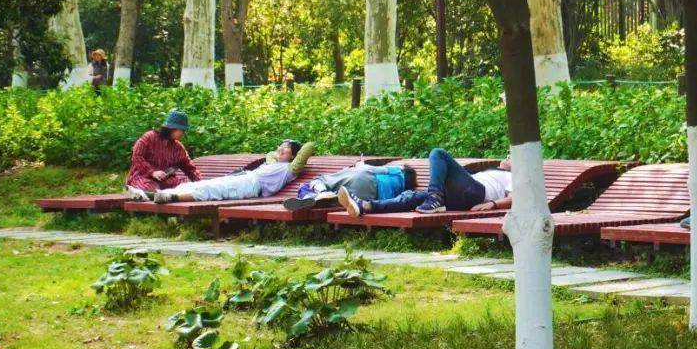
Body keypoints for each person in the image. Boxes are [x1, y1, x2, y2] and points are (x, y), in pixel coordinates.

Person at [336, 148, 512, 217]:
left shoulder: (516, 176)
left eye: (511, 157)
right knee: (411, 197)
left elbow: (517, 198)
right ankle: (365, 206)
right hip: (460, 196)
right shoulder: (491, 170)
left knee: (438, 153)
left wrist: (493, 204)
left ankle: (434, 198)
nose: (506, 157)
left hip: (477, 194)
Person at [127, 139, 316, 203]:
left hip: (252, 186)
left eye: (286, 148)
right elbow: (270, 154)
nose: (281, 149)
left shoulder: (290, 169)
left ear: (294, 155)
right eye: (280, 146)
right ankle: (149, 195)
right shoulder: (273, 162)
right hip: (245, 178)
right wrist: (279, 152)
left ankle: (171, 197)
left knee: (211, 191)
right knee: (203, 184)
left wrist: (293, 148)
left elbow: (309, 147)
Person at [284, 162, 418, 211]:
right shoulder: (403, 189)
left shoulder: (398, 171)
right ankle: (320, 198)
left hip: (365, 178)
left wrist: (360, 165)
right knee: (339, 199)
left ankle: (317, 193)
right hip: (369, 197)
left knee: (315, 181)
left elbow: (372, 169)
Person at [124, 109, 202, 193]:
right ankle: (136, 192)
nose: (184, 133)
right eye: (182, 130)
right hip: (142, 177)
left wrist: (200, 184)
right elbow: (137, 156)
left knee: (185, 187)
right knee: (153, 189)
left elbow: (189, 168)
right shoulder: (149, 137)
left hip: (165, 181)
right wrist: (152, 172)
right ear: (173, 129)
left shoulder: (178, 147)